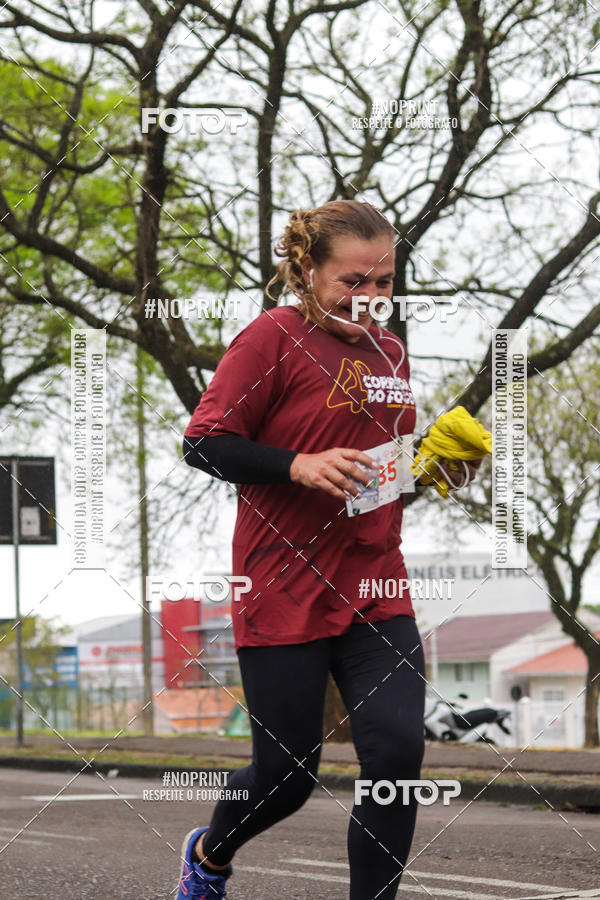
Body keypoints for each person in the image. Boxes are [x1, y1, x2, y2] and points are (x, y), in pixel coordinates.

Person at [178, 199, 480, 899]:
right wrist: (296, 464)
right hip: (282, 584)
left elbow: (379, 467)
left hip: (375, 583)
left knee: (399, 754)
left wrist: (430, 467)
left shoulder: (391, 351)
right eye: (353, 281)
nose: (371, 298)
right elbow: (203, 442)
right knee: (287, 778)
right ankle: (210, 854)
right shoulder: (270, 338)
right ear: (307, 270)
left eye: (384, 281)